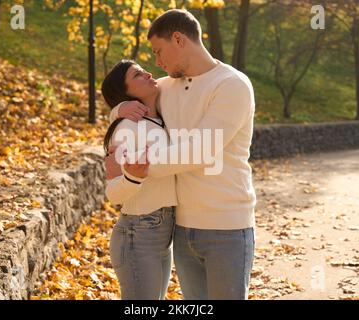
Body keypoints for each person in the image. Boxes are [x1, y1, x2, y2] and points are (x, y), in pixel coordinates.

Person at [106, 9, 257, 300]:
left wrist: (140, 167)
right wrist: (118, 110)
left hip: (227, 226)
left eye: (158, 51)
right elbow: (129, 95)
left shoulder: (232, 85)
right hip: (183, 229)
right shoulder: (167, 86)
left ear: (178, 39)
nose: (157, 62)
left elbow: (199, 151)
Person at [102, 60, 178, 300]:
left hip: (163, 232)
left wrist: (117, 107)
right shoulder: (127, 126)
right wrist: (133, 178)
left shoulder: (160, 117)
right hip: (139, 233)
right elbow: (112, 193)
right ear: (127, 93)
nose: (147, 73)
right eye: (137, 75)